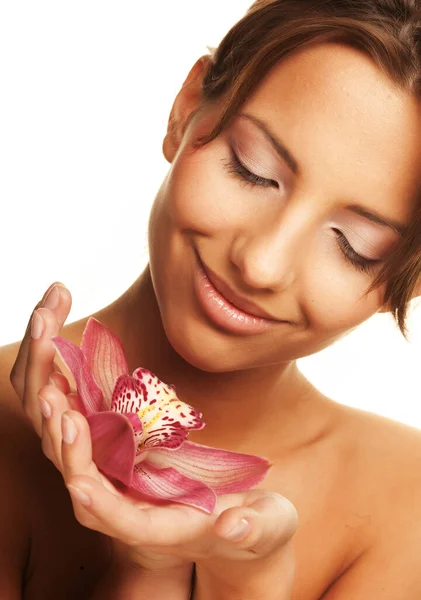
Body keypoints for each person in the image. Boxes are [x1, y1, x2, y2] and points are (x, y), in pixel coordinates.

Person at [2, 0, 421, 597]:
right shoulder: (4, 432)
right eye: (251, 170)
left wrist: (243, 580)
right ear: (186, 107)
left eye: (355, 245)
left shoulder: (408, 505)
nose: (261, 264)